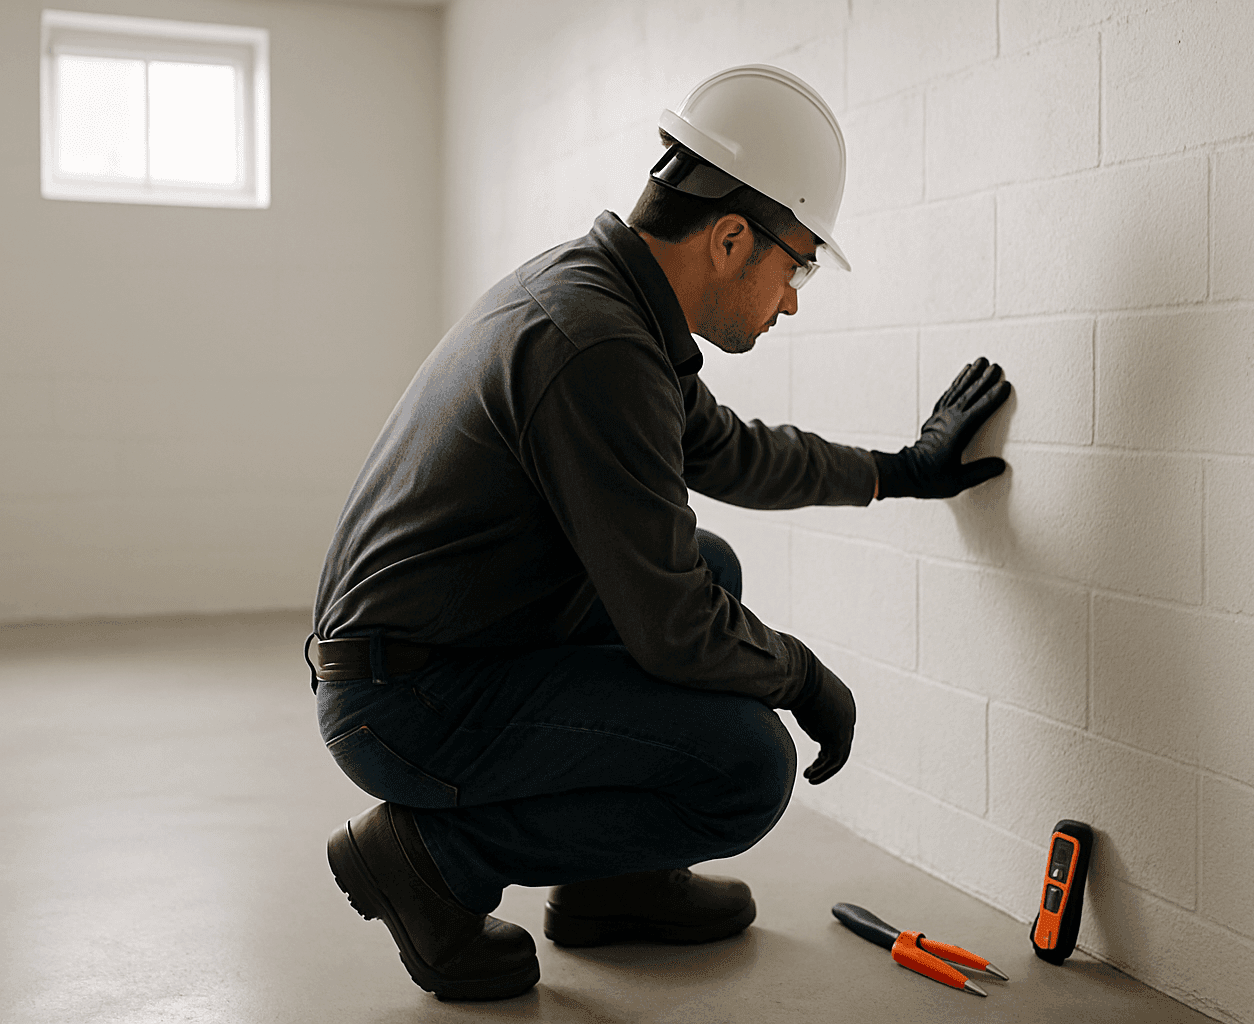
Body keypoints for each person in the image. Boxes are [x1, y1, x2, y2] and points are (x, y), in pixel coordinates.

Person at [306, 64, 1011, 1002]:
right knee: (748, 766)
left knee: (709, 561)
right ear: (730, 237)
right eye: (796, 263)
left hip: (428, 654)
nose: (794, 297)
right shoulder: (596, 346)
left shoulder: (608, 301)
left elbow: (730, 452)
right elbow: (671, 625)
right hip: (405, 706)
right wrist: (801, 676)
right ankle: (430, 858)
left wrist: (900, 472)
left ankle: (613, 889)